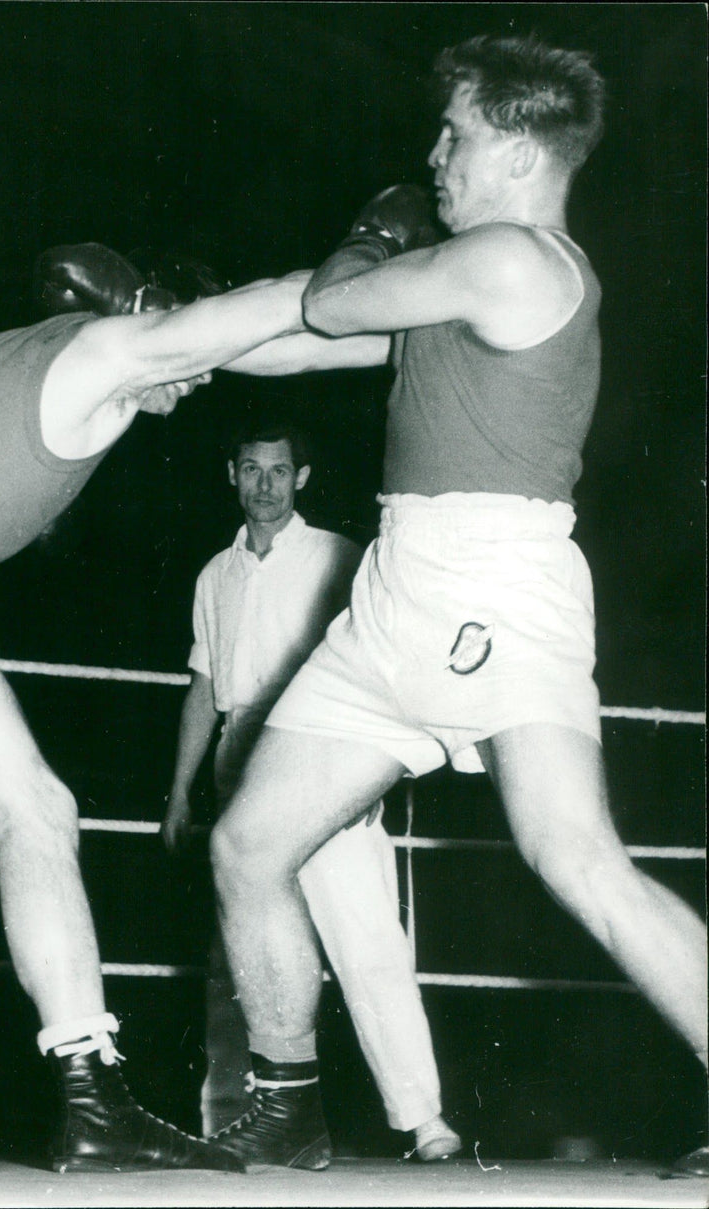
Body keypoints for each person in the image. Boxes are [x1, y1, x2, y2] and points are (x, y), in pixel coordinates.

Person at [203, 35, 708, 1174]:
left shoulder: (515, 260)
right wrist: (163, 348)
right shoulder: (468, 281)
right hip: (395, 590)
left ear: (523, 153)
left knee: (576, 858)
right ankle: (287, 1101)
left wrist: (374, 229)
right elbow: (306, 344)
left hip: (491, 582)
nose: (435, 156)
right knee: (247, 845)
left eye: (457, 134)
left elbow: (331, 303)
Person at [0, 241, 390, 1173]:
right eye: (190, 354)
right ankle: (94, 1106)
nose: (199, 381)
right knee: (35, 812)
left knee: (34, 810)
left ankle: (96, 1101)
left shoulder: (1, 359)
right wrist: (399, 293)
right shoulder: (106, 352)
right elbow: (272, 311)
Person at [161, 420, 460, 1163]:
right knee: (240, 961)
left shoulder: (339, 556)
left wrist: (374, 770)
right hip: (238, 773)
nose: (264, 483)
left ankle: (425, 1122)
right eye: (251, 468)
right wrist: (178, 792)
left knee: (367, 941)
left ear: (302, 477)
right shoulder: (213, 574)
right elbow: (204, 687)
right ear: (232, 473)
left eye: (278, 470)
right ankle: (233, 1120)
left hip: (325, 765)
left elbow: (384, 669)